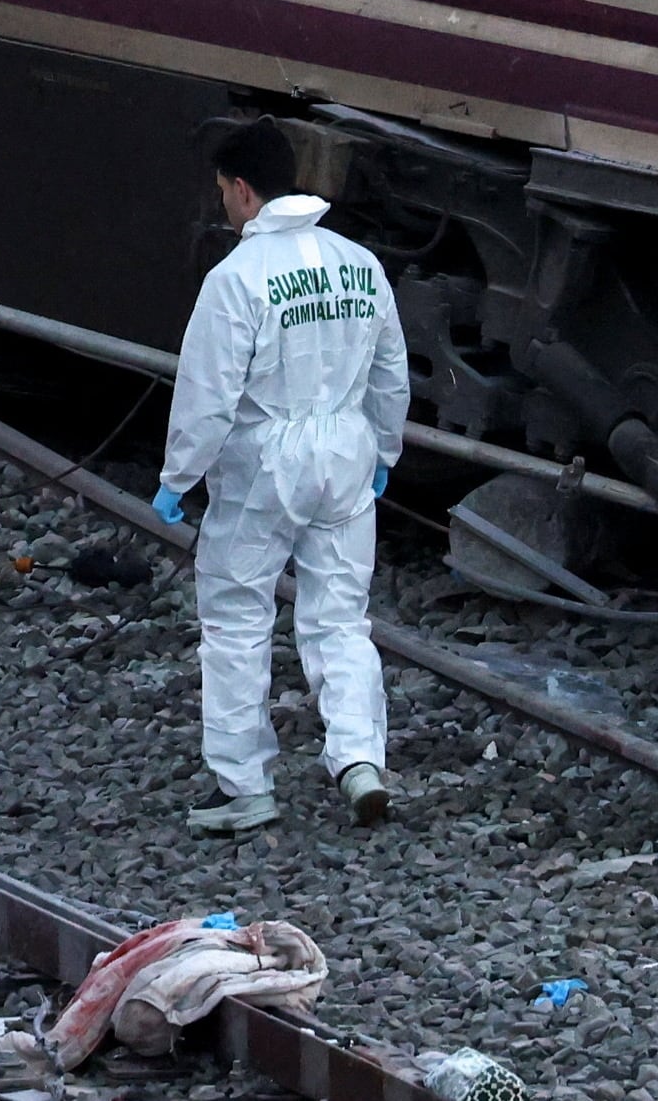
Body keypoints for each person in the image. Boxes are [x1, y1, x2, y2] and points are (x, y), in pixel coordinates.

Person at [154, 117, 407, 833]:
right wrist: (383, 453)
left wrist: (179, 477)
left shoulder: (235, 279)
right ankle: (359, 759)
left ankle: (245, 787)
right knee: (339, 618)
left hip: (265, 466)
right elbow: (391, 374)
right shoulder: (359, 263)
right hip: (347, 456)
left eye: (222, 192)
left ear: (241, 189)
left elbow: (207, 396)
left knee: (236, 619)